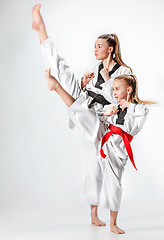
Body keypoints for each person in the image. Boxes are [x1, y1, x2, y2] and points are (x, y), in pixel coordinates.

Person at [32, 3, 135, 232]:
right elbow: (92, 91)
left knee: (106, 171)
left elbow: (121, 100)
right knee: (64, 70)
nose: (95, 49)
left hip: (105, 123)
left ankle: (112, 221)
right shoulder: (96, 68)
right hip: (87, 107)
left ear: (111, 49)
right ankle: (41, 31)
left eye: (99, 46)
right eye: (94, 46)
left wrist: (107, 80)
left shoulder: (123, 72)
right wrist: (82, 83)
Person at [44, 69, 153, 234]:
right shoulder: (114, 106)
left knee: (114, 185)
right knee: (84, 114)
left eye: (117, 89)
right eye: (113, 89)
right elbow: (103, 117)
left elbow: (144, 112)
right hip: (104, 136)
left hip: (118, 149)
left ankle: (113, 223)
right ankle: (57, 87)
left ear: (128, 90)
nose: (114, 93)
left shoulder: (136, 108)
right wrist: (107, 112)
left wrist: (128, 105)